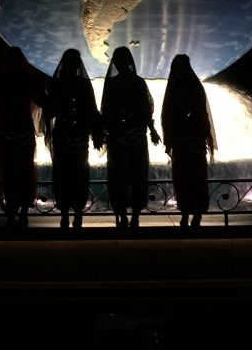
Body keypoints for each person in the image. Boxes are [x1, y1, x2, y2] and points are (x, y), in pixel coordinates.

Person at [0, 46, 46, 228]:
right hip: (18, 132)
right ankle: (18, 214)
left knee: (15, 173)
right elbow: (43, 100)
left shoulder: (3, 80)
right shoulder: (22, 79)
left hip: (12, 132)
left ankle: (17, 213)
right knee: (18, 172)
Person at [100, 46, 160, 229]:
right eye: (118, 60)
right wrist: (101, 133)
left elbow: (145, 109)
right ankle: (123, 215)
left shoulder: (138, 83)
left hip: (135, 136)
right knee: (119, 177)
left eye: (123, 59)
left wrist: (152, 130)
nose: (121, 63)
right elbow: (106, 111)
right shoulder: (112, 84)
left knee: (137, 176)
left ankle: (134, 216)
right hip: (119, 137)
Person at [42, 49, 103, 229]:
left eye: (74, 61)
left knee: (79, 173)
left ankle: (76, 212)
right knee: (64, 173)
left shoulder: (83, 85)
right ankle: (65, 213)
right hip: (63, 135)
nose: (72, 65)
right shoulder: (58, 84)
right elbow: (50, 109)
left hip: (79, 135)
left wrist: (97, 133)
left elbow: (92, 109)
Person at [160, 53, 215, 228]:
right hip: (182, 142)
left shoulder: (192, 87)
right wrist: (169, 138)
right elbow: (166, 115)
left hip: (193, 141)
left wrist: (206, 136)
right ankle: (185, 213)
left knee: (195, 177)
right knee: (183, 178)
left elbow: (203, 114)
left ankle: (196, 214)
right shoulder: (175, 88)